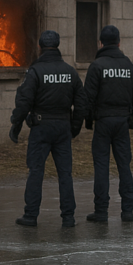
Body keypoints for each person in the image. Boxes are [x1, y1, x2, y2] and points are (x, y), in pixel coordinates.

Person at [10, 30, 88, 228]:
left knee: (36, 171)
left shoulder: (35, 71)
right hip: (63, 127)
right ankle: (68, 217)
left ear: (40, 47)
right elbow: (81, 102)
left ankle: (31, 216)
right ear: (58, 46)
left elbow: (24, 101)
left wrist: (16, 125)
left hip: (41, 127)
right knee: (65, 174)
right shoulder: (70, 71)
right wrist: (75, 128)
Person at [83, 25, 133, 222]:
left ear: (101, 43)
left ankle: (101, 211)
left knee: (101, 166)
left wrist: (88, 119)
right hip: (122, 123)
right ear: (119, 43)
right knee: (124, 166)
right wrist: (132, 118)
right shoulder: (129, 66)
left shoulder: (96, 66)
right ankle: (127, 211)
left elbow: (87, 98)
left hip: (103, 122)